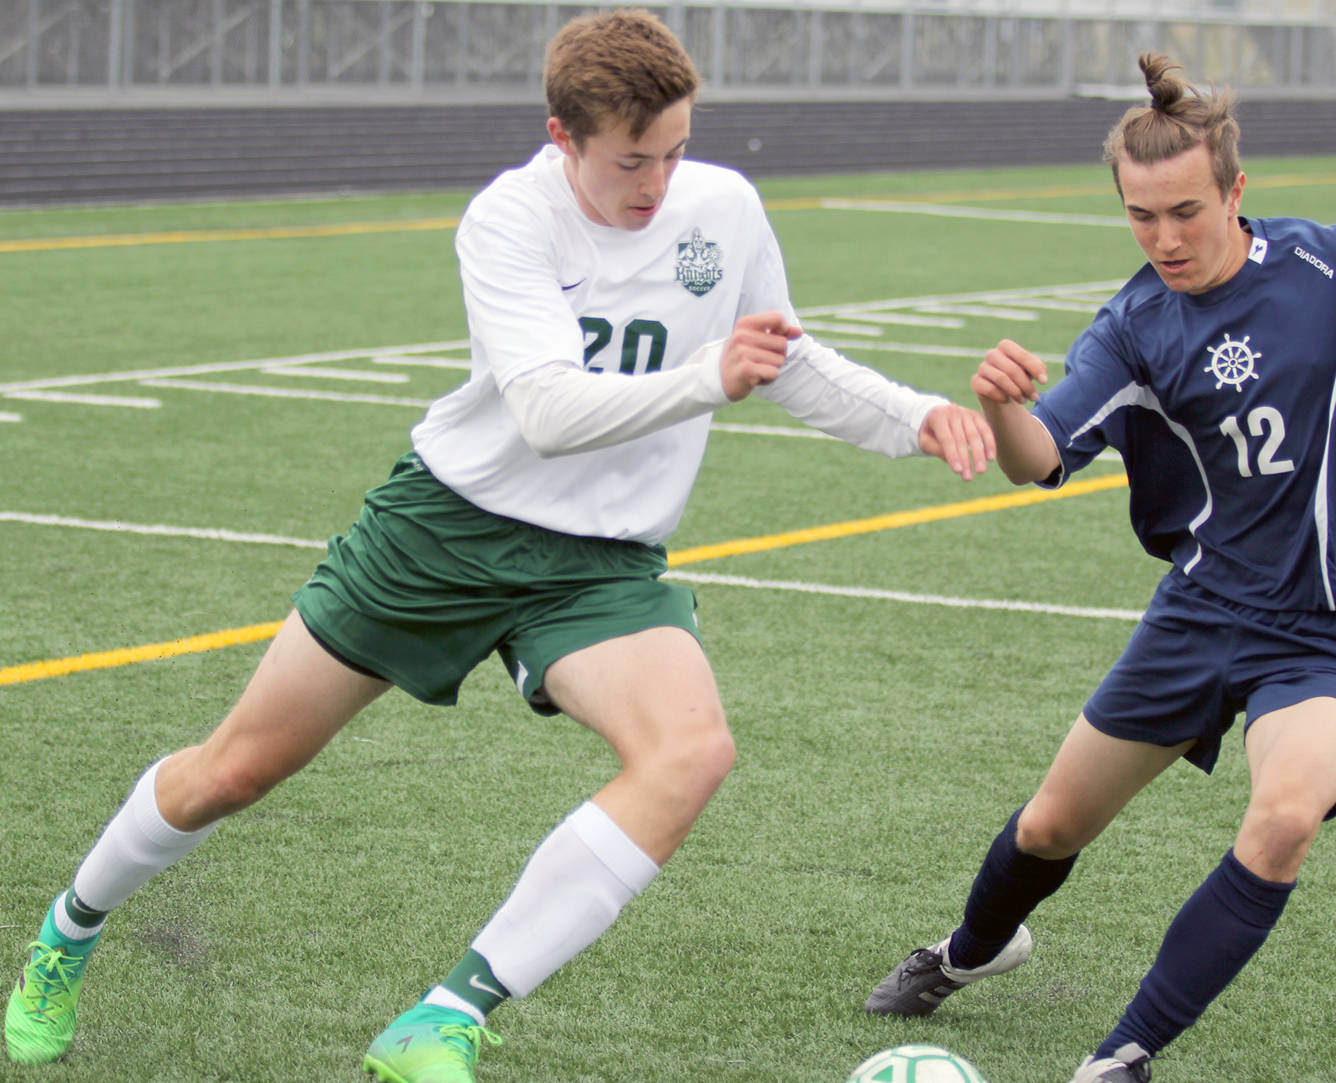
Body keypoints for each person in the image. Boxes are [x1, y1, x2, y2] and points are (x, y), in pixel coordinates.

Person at [4, 10, 995, 1082]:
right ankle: (65, 933)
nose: (657, 181)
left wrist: (917, 414)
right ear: (563, 136)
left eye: (672, 149)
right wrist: (709, 379)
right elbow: (547, 412)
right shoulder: (506, 220)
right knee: (233, 771)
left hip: (600, 563)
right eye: (629, 159)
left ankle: (447, 1016)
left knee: (691, 750)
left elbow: (784, 357)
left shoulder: (724, 207)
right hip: (444, 531)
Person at [864, 52, 1336, 1083]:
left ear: (1237, 193)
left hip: (1331, 636)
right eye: (1140, 217)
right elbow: (1040, 460)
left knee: (1281, 820)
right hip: (1199, 613)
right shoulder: (1134, 324)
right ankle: (973, 952)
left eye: (1185, 212)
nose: (1164, 239)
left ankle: (1119, 1057)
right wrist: (1002, 407)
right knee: (1054, 823)